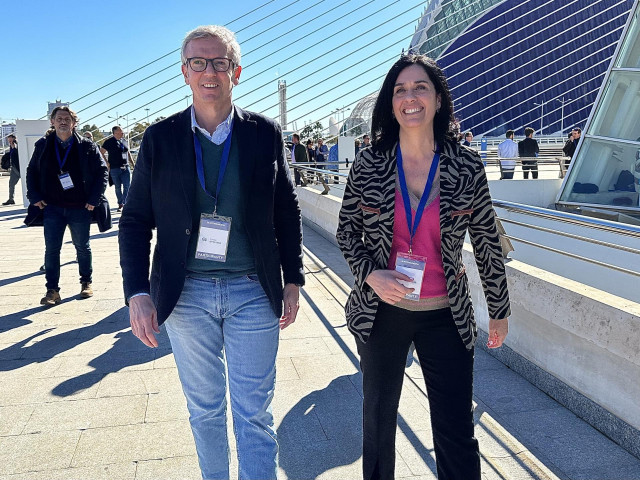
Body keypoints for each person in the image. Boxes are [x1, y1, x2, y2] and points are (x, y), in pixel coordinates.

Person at [118, 25, 304, 480]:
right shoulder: (160, 139)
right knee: (204, 412)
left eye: (219, 62)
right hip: (187, 297)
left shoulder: (263, 133)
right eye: (197, 62)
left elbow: (287, 206)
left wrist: (294, 278)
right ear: (184, 72)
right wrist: (137, 291)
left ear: (235, 72)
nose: (209, 72)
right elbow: (136, 218)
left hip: (252, 292)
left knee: (254, 415)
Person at [337, 54, 510, 480]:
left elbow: (486, 239)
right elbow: (346, 232)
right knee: (377, 426)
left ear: (437, 99)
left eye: (420, 88)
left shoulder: (466, 164)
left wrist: (499, 309)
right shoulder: (370, 162)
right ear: (390, 102)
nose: (409, 97)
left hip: (445, 316)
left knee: (454, 430)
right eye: (400, 90)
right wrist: (370, 274)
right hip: (381, 313)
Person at [26, 106, 108, 305]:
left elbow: (101, 172)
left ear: (74, 123)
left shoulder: (86, 145)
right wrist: (34, 195)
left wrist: (94, 199)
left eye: (67, 119)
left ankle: (86, 282)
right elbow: (31, 172)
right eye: (59, 118)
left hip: (80, 207)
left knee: (82, 246)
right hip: (52, 207)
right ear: (52, 122)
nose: (63, 121)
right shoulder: (43, 145)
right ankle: (52, 290)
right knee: (52, 249)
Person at [100, 126, 133, 211]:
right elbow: (101, 152)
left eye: (122, 132)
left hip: (126, 167)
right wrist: (107, 163)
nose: (122, 134)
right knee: (118, 187)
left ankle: (124, 203)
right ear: (114, 133)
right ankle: (120, 203)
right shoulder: (108, 142)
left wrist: (133, 164)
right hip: (115, 168)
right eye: (119, 133)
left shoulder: (124, 141)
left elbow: (128, 153)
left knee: (127, 186)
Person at [2, 134, 20, 205]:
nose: (9, 141)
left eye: (10, 140)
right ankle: (11, 199)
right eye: (8, 140)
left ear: (13, 138)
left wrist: (14, 146)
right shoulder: (11, 145)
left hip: (18, 167)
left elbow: (17, 152)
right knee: (11, 183)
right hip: (14, 167)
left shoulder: (15, 144)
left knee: (26, 183)